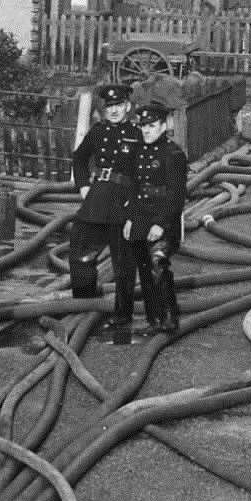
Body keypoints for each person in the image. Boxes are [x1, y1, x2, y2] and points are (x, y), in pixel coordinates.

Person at [69, 81, 141, 339]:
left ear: (127, 107)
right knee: (80, 247)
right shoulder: (98, 132)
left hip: (125, 199)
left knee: (123, 261)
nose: (113, 110)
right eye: (109, 106)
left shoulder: (138, 134)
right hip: (98, 197)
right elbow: (79, 158)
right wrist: (83, 186)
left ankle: (122, 317)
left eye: (118, 106)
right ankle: (84, 305)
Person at [121, 101, 188, 336]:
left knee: (158, 265)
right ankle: (153, 319)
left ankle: (169, 317)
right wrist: (130, 219)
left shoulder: (173, 154)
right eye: (143, 126)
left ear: (163, 126)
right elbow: (132, 187)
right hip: (140, 217)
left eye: (151, 125)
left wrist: (161, 224)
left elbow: (176, 195)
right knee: (144, 269)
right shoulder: (137, 152)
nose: (146, 130)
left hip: (165, 220)